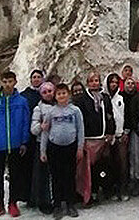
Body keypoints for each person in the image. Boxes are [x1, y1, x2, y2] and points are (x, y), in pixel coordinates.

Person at [0, 71, 30, 219]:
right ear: (0, 83)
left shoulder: (21, 101)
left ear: (15, 82)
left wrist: (23, 141)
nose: (7, 84)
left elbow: (25, 123)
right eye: (4, 81)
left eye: (10, 81)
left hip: (15, 145)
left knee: (15, 175)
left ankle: (12, 203)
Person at [40, 83, 85, 219]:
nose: (61, 96)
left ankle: (70, 204)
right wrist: (43, 151)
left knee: (69, 176)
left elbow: (80, 129)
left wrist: (80, 148)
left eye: (64, 93)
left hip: (70, 147)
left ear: (68, 94)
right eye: (59, 94)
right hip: (54, 148)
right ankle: (57, 205)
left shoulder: (75, 110)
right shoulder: (51, 112)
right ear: (55, 96)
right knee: (56, 177)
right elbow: (45, 132)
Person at [73, 71, 116, 207]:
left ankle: (98, 191)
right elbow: (79, 121)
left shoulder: (105, 98)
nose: (94, 83)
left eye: (96, 80)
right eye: (91, 81)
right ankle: (86, 194)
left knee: (100, 168)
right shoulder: (82, 99)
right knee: (86, 171)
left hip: (102, 139)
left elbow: (110, 115)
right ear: (87, 83)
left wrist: (110, 132)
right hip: (88, 139)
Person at [29, 82, 55, 214]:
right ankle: (44, 202)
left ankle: (58, 198)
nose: (48, 94)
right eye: (45, 92)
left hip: (58, 143)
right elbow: (33, 129)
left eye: (50, 91)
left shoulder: (59, 104)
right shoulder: (38, 108)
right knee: (43, 175)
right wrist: (41, 127)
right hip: (42, 144)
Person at [20, 69, 44, 205]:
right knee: (28, 167)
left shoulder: (47, 92)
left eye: (38, 77)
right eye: (34, 77)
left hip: (44, 135)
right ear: (30, 79)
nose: (36, 79)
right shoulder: (25, 95)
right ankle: (29, 196)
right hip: (29, 135)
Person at [103, 73, 129, 201]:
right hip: (108, 136)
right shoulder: (103, 98)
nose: (113, 84)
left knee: (122, 164)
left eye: (115, 82)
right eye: (111, 82)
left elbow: (126, 114)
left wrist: (125, 131)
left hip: (120, 135)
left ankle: (122, 190)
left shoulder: (121, 98)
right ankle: (110, 190)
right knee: (109, 164)